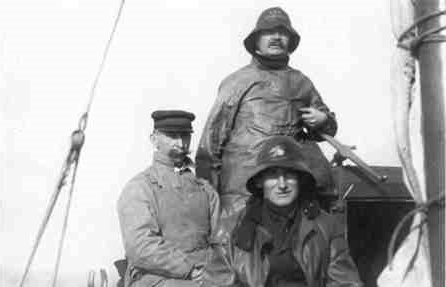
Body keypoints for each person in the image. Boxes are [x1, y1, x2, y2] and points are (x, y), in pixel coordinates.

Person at [196, 7, 337, 219]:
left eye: (283, 33)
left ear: (290, 40)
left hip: (289, 190)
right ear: (256, 40)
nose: (277, 37)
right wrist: (208, 202)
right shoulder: (237, 82)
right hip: (243, 192)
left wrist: (323, 119)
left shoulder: (301, 82)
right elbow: (210, 147)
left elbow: (329, 128)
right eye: (269, 32)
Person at [207, 136, 362, 287]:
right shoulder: (228, 231)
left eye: (289, 174)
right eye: (273, 174)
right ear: (260, 181)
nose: (282, 184)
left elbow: (346, 282)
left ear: (300, 179)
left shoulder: (327, 227)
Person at [117, 110, 220, 287]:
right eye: (172, 135)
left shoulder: (205, 190)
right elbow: (141, 247)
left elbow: (220, 241)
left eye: (185, 136)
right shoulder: (140, 188)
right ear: (154, 139)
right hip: (154, 277)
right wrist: (189, 269)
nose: (180, 143)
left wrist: (211, 270)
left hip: (204, 276)